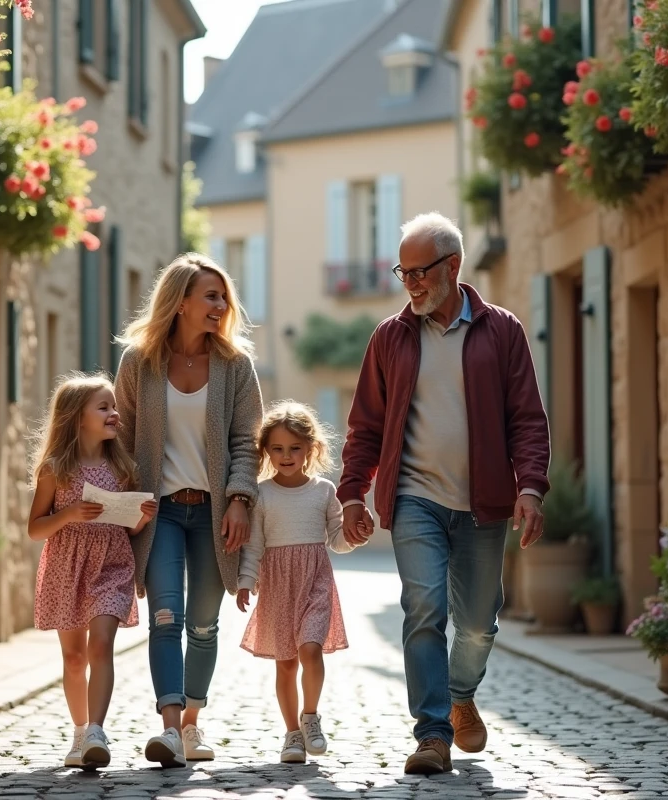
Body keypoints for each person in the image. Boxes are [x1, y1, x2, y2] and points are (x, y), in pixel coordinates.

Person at [338, 212, 551, 775]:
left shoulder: (501, 330)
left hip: (483, 504)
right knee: (424, 607)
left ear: (452, 266)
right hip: (415, 499)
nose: (409, 284)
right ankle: (432, 734)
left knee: (478, 623)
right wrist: (353, 493)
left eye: (419, 272)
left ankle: (460, 695)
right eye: (402, 273)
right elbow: (366, 426)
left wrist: (530, 485)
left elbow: (527, 418)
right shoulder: (390, 337)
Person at [115, 253, 264, 767]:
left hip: (213, 514)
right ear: (180, 302)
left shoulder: (235, 366)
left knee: (203, 624)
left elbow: (247, 441)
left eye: (224, 297)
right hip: (158, 515)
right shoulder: (138, 363)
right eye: (211, 296)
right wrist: (125, 504)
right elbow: (123, 442)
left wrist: (240, 498)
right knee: (165, 618)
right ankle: (170, 729)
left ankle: (192, 723)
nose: (221, 305)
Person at [27, 372, 159, 769]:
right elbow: (35, 529)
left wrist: (141, 517)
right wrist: (68, 514)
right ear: (77, 417)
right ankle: (80, 732)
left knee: (101, 645)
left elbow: (128, 527)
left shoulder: (122, 468)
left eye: (114, 406)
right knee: (74, 658)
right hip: (66, 567)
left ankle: (97, 732)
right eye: (103, 407)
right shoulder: (55, 469)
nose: (114, 413)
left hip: (111, 565)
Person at [235, 401, 364, 764]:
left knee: (311, 649)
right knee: (286, 664)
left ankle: (310, 717)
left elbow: (337, 539)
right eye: (277, 448)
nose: (286, 456)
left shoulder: (323, 491)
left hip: (315, 581)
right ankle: (292, 734)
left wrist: (354, 536)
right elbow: (254, 545)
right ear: (266, 451)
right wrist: (246, 580)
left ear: (311, 448)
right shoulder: (262, 494)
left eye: (294, 448)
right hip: (277, 585)